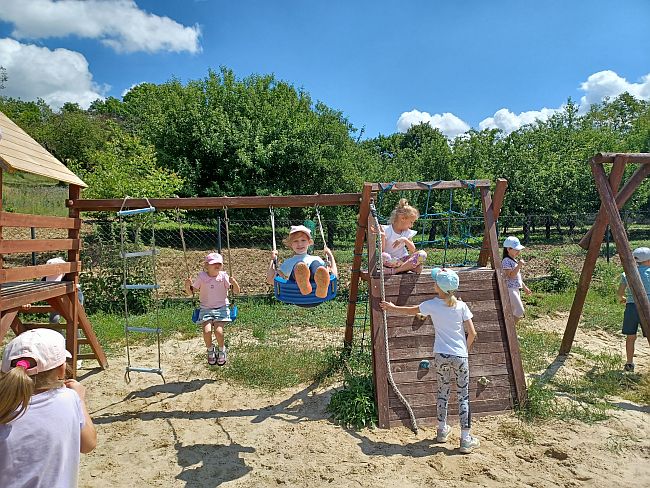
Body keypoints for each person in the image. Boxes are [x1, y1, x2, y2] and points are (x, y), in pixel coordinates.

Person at [381, 267, 480, 454]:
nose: (433, 283)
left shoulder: (431, 305)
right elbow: (472, 333)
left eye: (435, 282)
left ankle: (442, 430)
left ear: (438, 287)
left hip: (441, 355)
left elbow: (410, 311)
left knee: (443, 392)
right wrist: (464, 352)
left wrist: (392, 308)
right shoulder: (461, 306)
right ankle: (466, 439)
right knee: (463, 397)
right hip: (460, 356)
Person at [0, 328, 97, 488]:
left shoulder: (4, 408)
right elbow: (88, 444)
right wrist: (80, 399)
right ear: (62, 370)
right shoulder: (69, 399)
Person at [185, 252, 240, 366]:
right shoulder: (202, 277)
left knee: (219, 331)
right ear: (206, 265)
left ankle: (222, 350)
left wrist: (234, 283)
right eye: (214, 263)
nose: (217, 265)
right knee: (207, 331)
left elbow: (236, 291)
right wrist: (187, 285)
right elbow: (191, 292)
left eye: (219, 263)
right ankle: (210, 350)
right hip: (206, 309)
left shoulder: (223, 276)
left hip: (221, 308)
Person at [266, 225, 338, 298]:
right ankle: (303, 283)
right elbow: (270, 280)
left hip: (297, 296)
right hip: (311, 297)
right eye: (295, 241)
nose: (300, 244)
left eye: (303, 240)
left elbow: (334, 276)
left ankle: (320, 288)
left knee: (316, 265)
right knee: (299, 265)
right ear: (291, 244)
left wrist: (330, 255)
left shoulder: (316, 259)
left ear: (309, 242)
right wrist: (272, 259)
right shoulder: (288, 262)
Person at [616, 246, 650, 372]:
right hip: (647, 307)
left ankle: (629, 363)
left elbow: (620, 293)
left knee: (630, 336)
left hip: (631, 307)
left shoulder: (627, 273)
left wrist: (622, 298)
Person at [372, 198, 427, 275]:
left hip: (403, 260)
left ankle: (396, 270)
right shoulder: (386, 230)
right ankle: (406, 267)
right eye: (411, 222)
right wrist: (383, 236)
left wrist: (404, 240)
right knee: (384, 256)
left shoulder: (407, 233)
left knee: (422, 255)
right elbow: (382, 250)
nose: (412, 225)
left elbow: (413, 250)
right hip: (392, 261)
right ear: (403, 218)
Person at [502, 236, 531, 324]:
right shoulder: (506, 261)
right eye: (516, 249)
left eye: (519, 249)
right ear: (508, 249)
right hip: (510, 289)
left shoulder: (513, 260)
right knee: (519, 310)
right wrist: (519, 265)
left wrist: (525, 288)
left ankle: (510, 330)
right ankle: (511, 329)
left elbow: (517, 276)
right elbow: (511, 275)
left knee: (513, 310)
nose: (518, 251)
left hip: (515, 289)